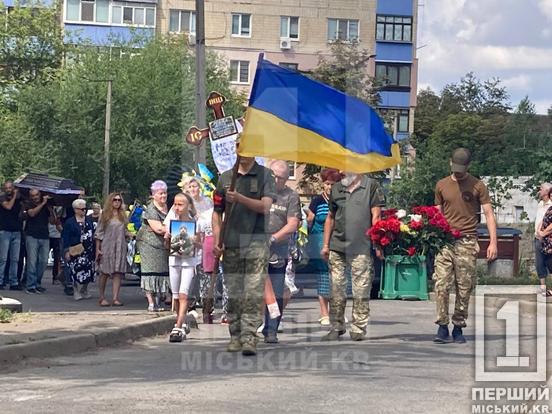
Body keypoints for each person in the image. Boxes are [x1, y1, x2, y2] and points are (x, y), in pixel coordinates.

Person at [212, 151, 276, 356]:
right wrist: (217, 240)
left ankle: (249, 337)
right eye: (240, 147)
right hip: (231, 241)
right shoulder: (225, 177)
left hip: (256, 240)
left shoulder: (265, 174)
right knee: (234, 291)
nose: (244, 151)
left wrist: (240, 198)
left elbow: (266, 206)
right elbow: (217, 211)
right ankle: (235, 334)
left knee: (253, 290)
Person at [433, 148, 497, 344]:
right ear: (450, 163)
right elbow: (437, 213)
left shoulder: (478, 185)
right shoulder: (442, 185)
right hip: (445, 241)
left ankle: (458, 326)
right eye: (455, 167)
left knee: (464, 286)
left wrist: (492, 242)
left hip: (467, 241)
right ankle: (442, 326)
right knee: (441, 284)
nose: (458, 172)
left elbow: (488, 214)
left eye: (462, 168)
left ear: (468, 166)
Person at [321, 171, 384, 341]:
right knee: (336, 288)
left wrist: (378, 244)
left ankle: (358, 327)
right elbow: (331, 217)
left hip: (361, 246)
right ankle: (336, 326)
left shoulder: (370, 186)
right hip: (337, 246)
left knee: (361, 289)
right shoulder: (336, 188)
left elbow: (376, 216)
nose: (341, 171)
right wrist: (325, 245)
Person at [261, 160, 301, 344]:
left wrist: (274, 238)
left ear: (286, 179)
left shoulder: (291, 196)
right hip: (254, 246)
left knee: (276, 291)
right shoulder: (259, 192)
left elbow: (293, 224)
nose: (275, 179)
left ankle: (271, 329)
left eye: (280, 177)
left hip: (277, 249)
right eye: (273, 175)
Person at [164, 193, 202, 342]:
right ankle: (183, 321)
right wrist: (167, 238)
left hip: (188, 262)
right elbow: (167, 246)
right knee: (175, 297)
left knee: (183, 294)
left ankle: (177, 327)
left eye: (181, 204)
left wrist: (194, 241)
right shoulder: (171, 223)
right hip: (174, 261)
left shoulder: (195, 223)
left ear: (189, 206)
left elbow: (201, 245)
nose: (178, 207)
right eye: (175, 204)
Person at [306, 168, 342, 326]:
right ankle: (324, 313)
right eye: (327, 183)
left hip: (337, 240)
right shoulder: (317, 201)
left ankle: (338, 311)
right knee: (323, 277)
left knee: (338, 277)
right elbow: (309, 220)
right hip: (319, 239)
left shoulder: (341, 200)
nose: (329, 187)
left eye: (333, 184)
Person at [185, 177, 217, 322]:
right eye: (190, 187)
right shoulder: (185, 202)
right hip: (191, 238)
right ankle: (189, 304)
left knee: (206, 273)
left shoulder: (208, 202)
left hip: (206, 239)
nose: (193, 189)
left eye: (195, 186)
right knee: (191, 273)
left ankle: (207, 305)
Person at [137, 180, 170, 311]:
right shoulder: (151, 209)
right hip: (148, 244)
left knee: (162, 271)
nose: (163, 196)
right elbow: (158, 229)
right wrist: (171, 229)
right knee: (150, 271)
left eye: (165, 193)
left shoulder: (168, 207)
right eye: (160, 193)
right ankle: (151, 303)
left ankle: (158, 300)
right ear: (154, 195)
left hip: (163, 245)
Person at [95, 192, 128, 307]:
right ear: (111, 201)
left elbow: (124, 231)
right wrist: (97, 249)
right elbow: (99, 232)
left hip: (120, 246)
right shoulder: (104, 214)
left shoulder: (123, 215)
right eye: (115, 200)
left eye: (119, 200)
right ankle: (102, 297)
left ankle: (115, 298)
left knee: (117, 272)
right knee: (104, 271)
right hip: (107, 245)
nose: (117, 202)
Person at [62, 199, 95, 300]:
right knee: (74, 270)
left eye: (85, 209)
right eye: (82, 209)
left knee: (89, 270)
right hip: (75, 249)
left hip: (88, 250)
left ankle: (84, 289)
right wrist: (66, 251)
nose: (84, 211)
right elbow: (65, 237)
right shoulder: (70, 222)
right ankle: (75, 290)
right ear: (76, 210)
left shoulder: (89, 221)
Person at [24, 189, 54, 294]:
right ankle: (30, 285)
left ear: (40, 194)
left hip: (44, 235)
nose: (35, 197)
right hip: (32, 235)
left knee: (43, 262)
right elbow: (32, 214)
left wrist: (51, 208)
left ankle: (37, 283)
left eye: (36, 195)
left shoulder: (46, 205)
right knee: (32, 261)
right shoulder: (28, 204)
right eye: (32, 195)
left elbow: (52, 221)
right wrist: (42, 203)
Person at [0, 181, 23, 290]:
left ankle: (14, 282)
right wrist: (14, 196)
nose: (9, 190)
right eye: (7, 188)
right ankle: (0, 280)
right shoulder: (2, 198)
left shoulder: (19, 200)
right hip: (5, 230)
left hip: (17, 231)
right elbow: (8, 207)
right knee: (3, 258)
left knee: (15, 258)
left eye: (10, 188)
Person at [534, 183, 552, 297]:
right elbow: (540, 220)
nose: (539, 191)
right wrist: (538, 232)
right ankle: (543, 288)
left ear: (547, 191)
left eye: (541, 189)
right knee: (539, 263)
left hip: (548, 239)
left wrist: (544, 233)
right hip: (538, 237)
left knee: (550, 262)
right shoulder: (540, 204)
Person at [48, 207, 63, 285]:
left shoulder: (62, 208)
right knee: (42, 258)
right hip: (47, 234)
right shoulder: (48, 208)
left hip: (58, 235)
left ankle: (55, 277)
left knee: (57, 258)